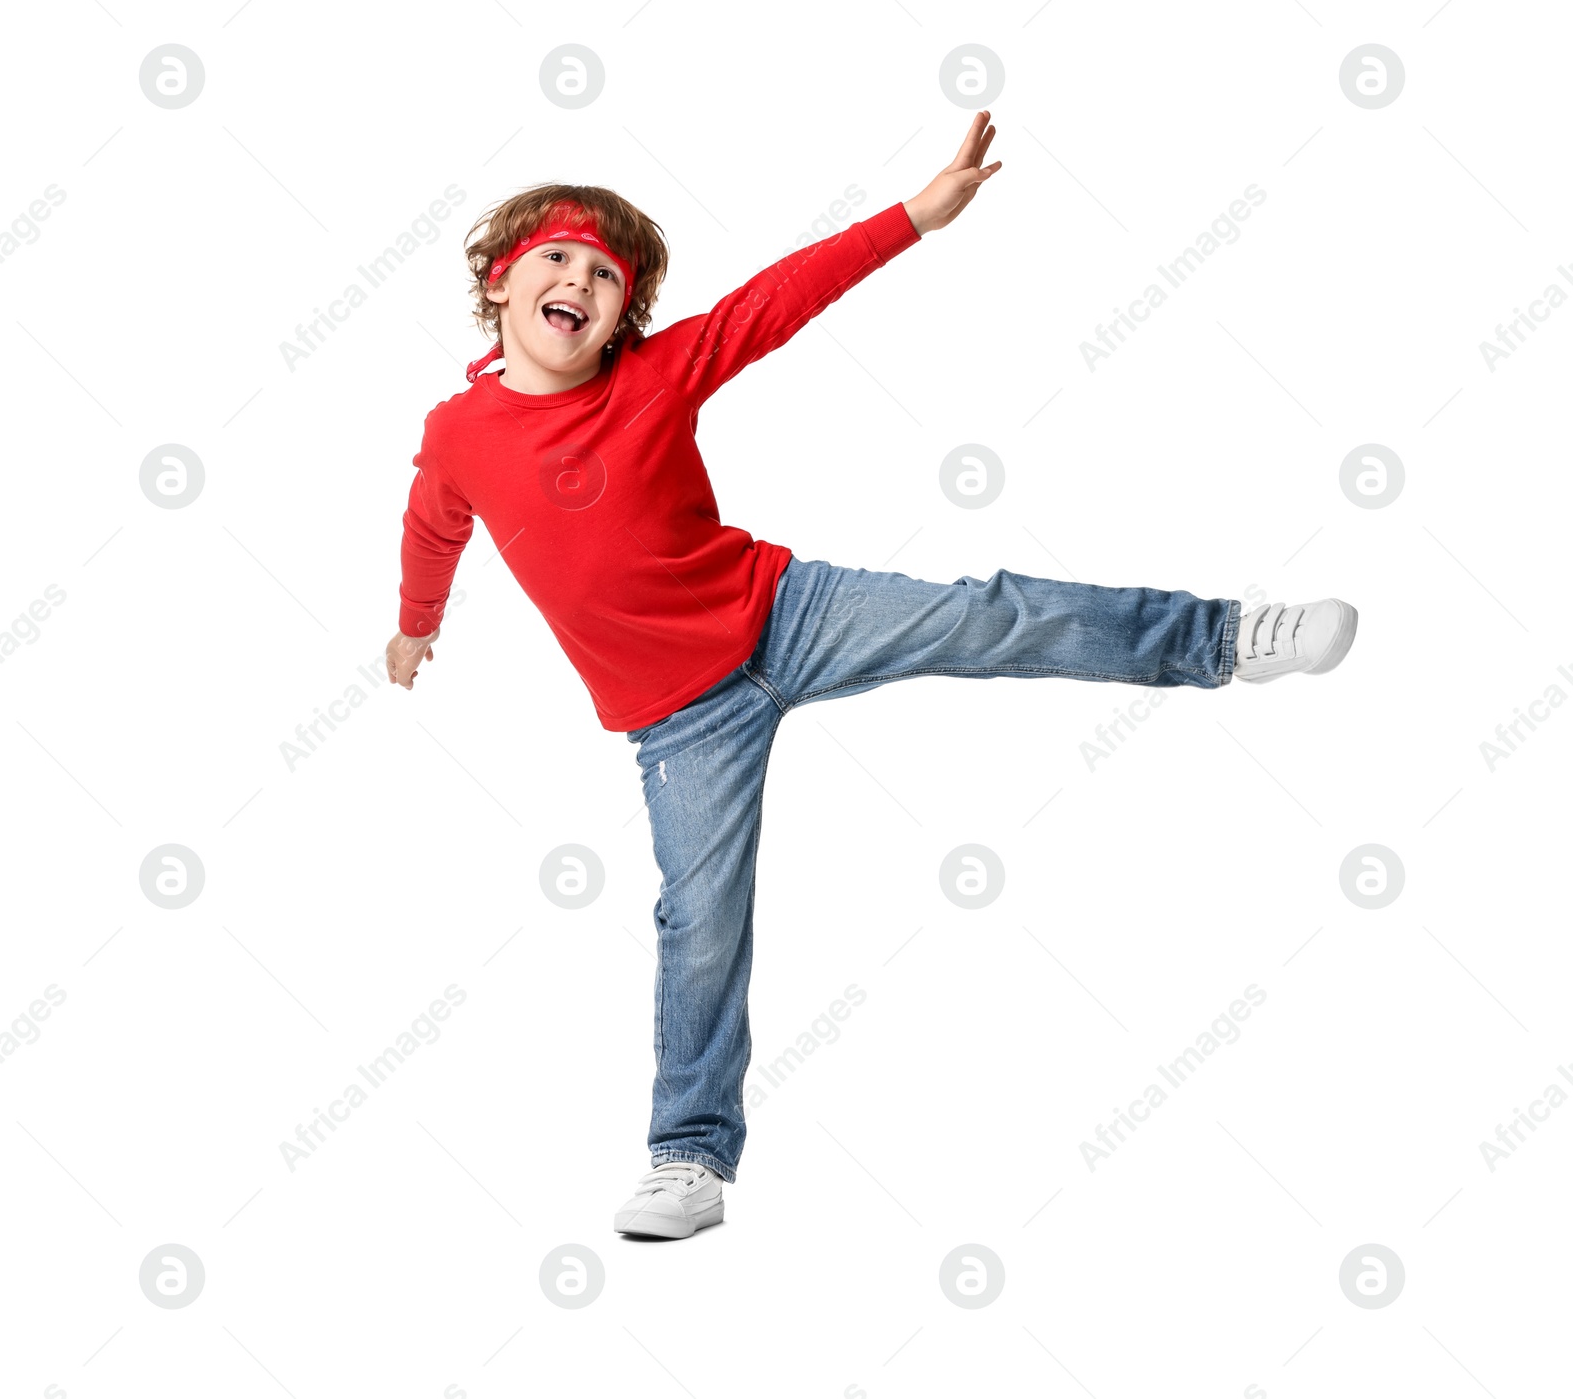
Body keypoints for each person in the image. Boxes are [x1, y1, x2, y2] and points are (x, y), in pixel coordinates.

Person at [387, 111, 1358, 1241]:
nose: (579, 279)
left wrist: (914, 215)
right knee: (699, 921)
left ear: (621, 317)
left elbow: (776, 300)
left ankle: (1221, 639)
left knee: (985, 616)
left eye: (605, 273)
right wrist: (415, 627)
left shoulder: (655, 376)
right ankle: (688, 1159)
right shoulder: (459, 431)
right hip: (678, 719)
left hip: (781, 613)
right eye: (554, 259)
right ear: (499, 287)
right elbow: (431, 525)